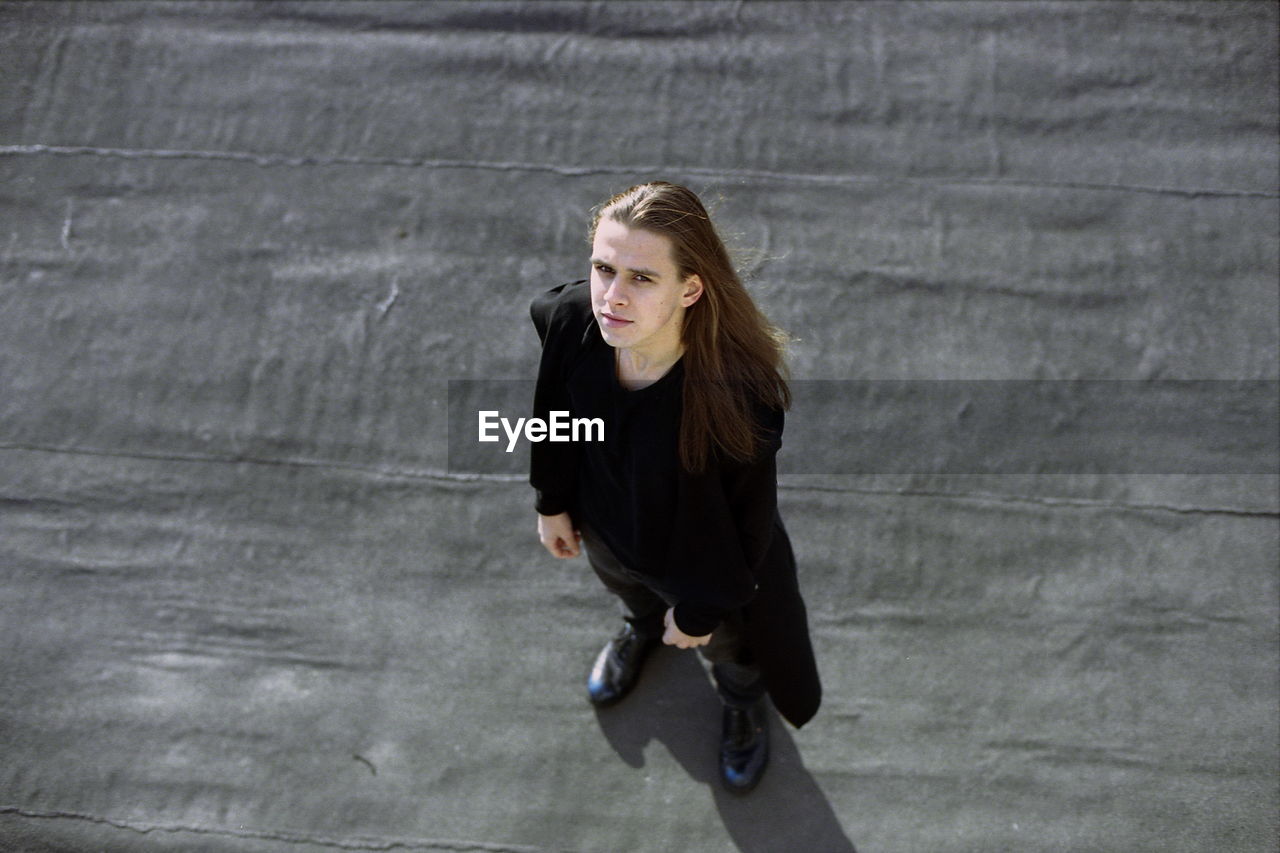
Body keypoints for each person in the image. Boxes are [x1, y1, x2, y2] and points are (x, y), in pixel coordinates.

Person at [529, 181, 820, 794]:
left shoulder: (738, 401)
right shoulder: (571, 322)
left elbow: (748, 525)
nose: (611, 296)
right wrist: (551, 501)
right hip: (607, 527)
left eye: (642, 278)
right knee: (632, 598)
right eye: (604, 269)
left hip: (698, 565)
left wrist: (698, 609)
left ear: (690, 288)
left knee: (729, 653)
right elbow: (553, 414)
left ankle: (743, 704)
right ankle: (641, 627)